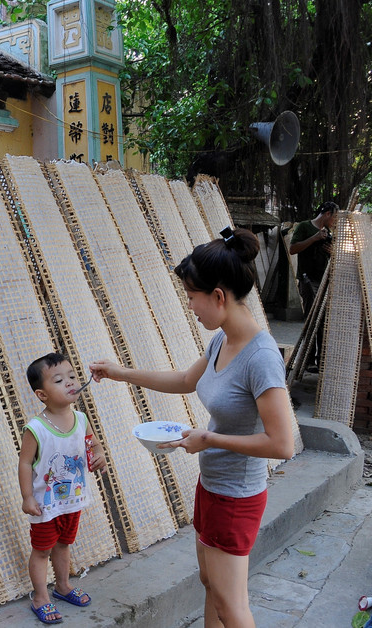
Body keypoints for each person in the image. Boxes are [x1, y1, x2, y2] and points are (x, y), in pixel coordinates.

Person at [90, 227, 294, 628]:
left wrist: (210, 439)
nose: (190, 306)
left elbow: (282, 444)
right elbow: (186, 381)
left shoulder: (262, 357)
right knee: (211, 585)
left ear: (218, 296)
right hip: (213, 486)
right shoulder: (222, 340)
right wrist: (119, 373)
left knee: (232, 604)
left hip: (236, 498)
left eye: (191, 296)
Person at [19, 352, 106, 625]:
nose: (70, 383)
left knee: (65, 544)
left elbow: (93, 444)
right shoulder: (36, 428)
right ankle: (40, 597)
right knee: (42, 551)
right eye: (59, 380)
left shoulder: (80, 419)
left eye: (72, 376)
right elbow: (24, 464)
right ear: (42, 395)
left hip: (71, 501)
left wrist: (100, 455)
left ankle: (63, 586)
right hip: (45, 505)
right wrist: (27, 497)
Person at [289, 201, 338, 370]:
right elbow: (293, 249)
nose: (334, 221)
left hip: (323, 281)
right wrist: (314, 238)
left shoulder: (329, 233)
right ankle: (308, 361)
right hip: (307, 280)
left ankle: (320, 361)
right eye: (334, 217)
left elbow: (332, 258)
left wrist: (331, 252)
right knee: (311, 319)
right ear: (327, 214)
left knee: (323, 321)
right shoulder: (304, 227)